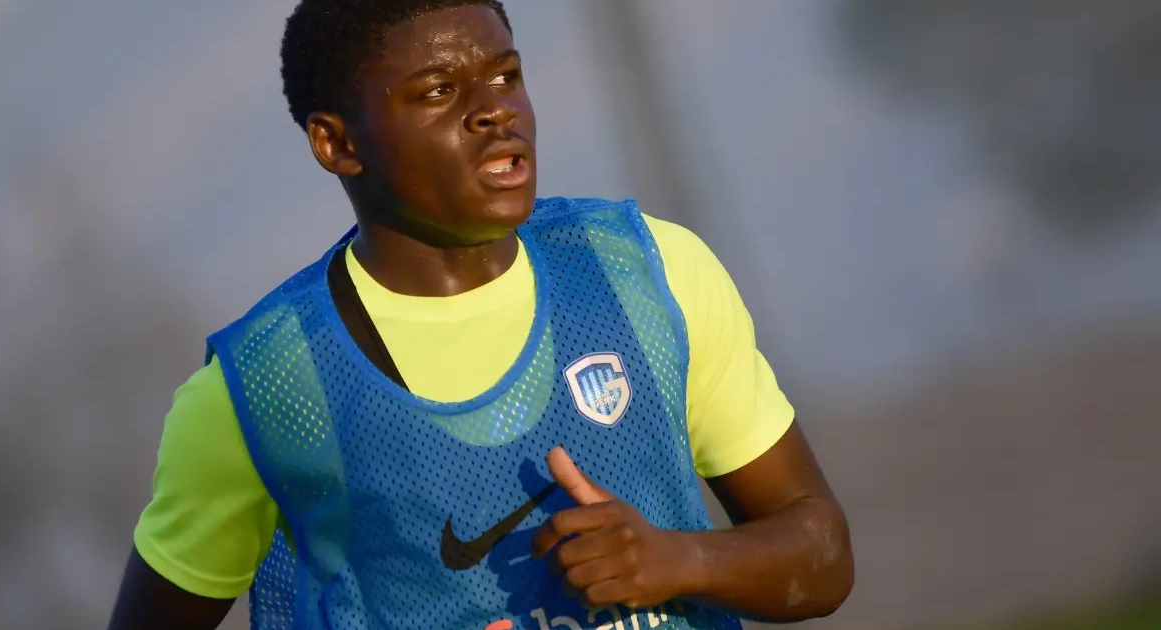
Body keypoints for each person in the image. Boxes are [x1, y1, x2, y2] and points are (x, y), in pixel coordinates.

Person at [106, 1, 854, 629]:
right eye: (439, 90)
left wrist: (678, 559)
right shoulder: (265, 386)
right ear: (337, 142)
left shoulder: (649, 275)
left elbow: (822, 556)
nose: (496, 110)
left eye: (506, 76)